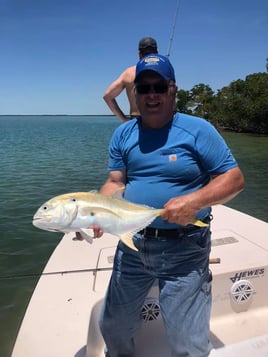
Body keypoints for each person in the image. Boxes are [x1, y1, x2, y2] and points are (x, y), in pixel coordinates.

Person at [95, 54, 245, 356]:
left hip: (185, 248)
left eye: (159, 87)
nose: (152, 94)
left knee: (187, 343)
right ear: (135, 93)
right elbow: (115, 182)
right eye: (144, 87)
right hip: (133, 244)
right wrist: (99, 210)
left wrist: (194, 200)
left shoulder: (198, 129)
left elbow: (234, 179)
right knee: (113, 325)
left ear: (172, 90)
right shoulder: (122, 134)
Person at [103, 37, 158, 122]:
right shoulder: (164, 71)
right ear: (157, 53)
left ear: (139, 54)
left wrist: (124, 120)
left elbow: (107, 96)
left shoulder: (129, 73)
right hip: (161, 121)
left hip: (137, 121)